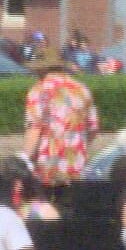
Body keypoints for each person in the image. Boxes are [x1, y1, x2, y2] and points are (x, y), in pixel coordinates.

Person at [23, 58, 99, 188]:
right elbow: (93, 128)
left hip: (47, 165)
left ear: (41, 69)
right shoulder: (81, 88)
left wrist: (25, 160)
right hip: (77, 164)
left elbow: (35, 129)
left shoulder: (38, 90)